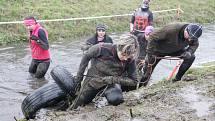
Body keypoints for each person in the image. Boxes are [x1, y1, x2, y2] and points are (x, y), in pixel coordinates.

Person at [71, 34, 139, 109]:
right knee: (80, 102)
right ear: (119, 47)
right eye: (123, 55)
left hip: (111, 83)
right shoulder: (102, 48)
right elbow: (86, 57)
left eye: (128, 56)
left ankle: (103, 103)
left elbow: (134, 81)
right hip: (93, 81)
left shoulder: (130, 59)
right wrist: (78, 79)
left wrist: (112, 79)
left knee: (116, 99)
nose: (126, 59)